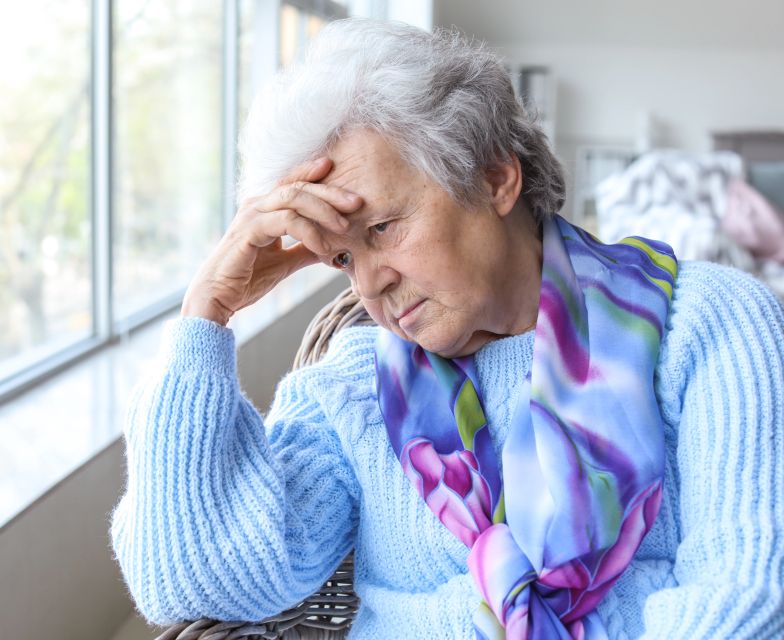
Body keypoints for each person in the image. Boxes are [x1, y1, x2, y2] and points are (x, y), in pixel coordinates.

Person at [109, 18, 784, 639]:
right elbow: (199, 579)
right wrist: (206, 316)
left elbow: (749, 596)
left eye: (381, 228)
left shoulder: (709, 325)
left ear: (494, 175)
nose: (369, 282)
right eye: (343, 258)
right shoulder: (353, 385)